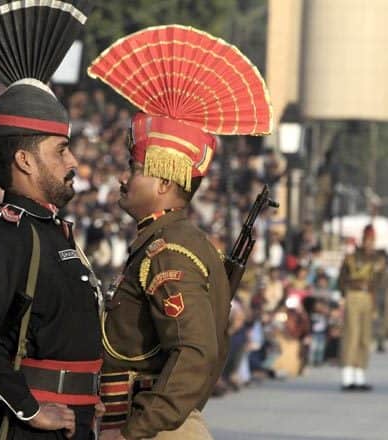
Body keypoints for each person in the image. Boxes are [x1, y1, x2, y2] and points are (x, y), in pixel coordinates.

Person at [88, 25, 272, 439]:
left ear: (164, 183)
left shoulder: (168, 250)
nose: (122, 179)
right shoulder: (164, 241)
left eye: (134, 170)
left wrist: (138, 427)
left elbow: (195, 351)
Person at [0, 1, 102, 439]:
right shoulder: (12, 234)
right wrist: (28, 408)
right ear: (26, 161)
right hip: (30, 428)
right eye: (60, 151)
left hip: (74, 421)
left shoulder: (48, 230)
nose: (72, 162)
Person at [338, 224, 385, 391]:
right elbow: (342, 278)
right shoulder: (351, 257)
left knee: (365, 337)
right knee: (352, 334)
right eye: (367, 240)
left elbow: (380, 281)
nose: (370, 243)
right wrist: (343, 296)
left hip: (368, 297)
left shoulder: (378, 259)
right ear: (363, 240)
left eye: (372, 240)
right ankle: (347, 376)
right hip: (353, 294)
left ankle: (359, 376)